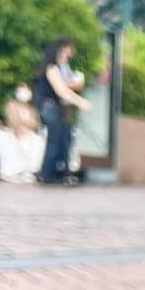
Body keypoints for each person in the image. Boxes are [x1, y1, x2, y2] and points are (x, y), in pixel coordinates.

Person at [35, 38, 91, 185]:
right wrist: (81, 102)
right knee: (55, 138)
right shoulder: (52, 68)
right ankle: (46, 173)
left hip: (59, 107)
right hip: (49, 106)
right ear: (60, 50)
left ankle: (61, 172)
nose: (70, 54)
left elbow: (66, 87)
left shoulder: (63, 67)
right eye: (67, 50)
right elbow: (61, 90)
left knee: (65, 136)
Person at [0, 82, 44, 182]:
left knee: (36, 141)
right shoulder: (11, 105)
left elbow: (35, 123)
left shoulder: (32, 109)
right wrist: (20, 129)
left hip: (28, 133)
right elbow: (11, 121)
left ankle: (29, 171)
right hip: (14, 132)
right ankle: (13, 171)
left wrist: (27, 128)